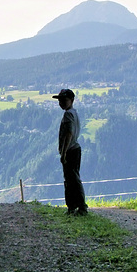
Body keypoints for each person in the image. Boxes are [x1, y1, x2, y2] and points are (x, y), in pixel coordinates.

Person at [53, 88, 88, 216]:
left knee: (71, 179)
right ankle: (74, 206)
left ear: (71, 100)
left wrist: (63, 153)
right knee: (72, 178)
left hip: (70, 150)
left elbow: (68, 134)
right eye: (60, 100)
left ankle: (79, 207)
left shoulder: (68, 114)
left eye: (64, 100)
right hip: (75, 149)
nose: (61, 103)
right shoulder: (74, 112)